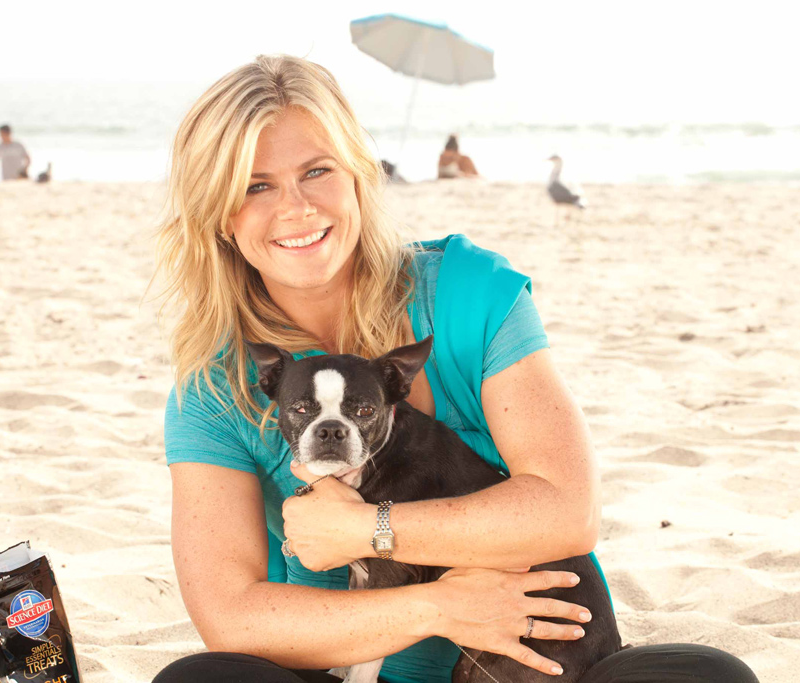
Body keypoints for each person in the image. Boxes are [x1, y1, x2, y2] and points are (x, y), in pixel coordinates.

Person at [149, 55, 759, 683]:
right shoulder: (214, 387)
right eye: (257, 185)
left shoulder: (471, 292)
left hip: (537, 663)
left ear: (360, 175)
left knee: (709, 676)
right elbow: (231, 616)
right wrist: (438, 607)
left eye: (317, 171)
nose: (298, 207)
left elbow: (568, 512)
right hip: (348, 672)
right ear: (219, 213)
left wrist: (367, 530)